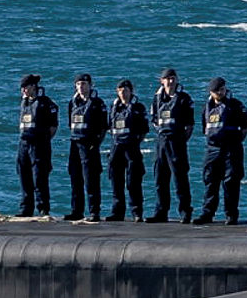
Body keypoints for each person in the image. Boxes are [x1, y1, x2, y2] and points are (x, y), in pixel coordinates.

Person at [195, 77, 247, 225]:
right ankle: (207, 213)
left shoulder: (235, 105)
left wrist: (235, 141)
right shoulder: (207, 108)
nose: (220, 92)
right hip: (213, 149)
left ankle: (231, 214)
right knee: (210, 181)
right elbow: (204, 128)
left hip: (231, 148)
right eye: (216, 90)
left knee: (231, 181)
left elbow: (246, 127)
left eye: (222, 89)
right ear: (211, 92)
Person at [145, 67, 196, 223]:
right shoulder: (157, 98)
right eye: (167, 79)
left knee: (180, 179)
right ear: (162, 81)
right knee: (160, 179)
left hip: (177, 141)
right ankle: (161, 212)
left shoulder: (184, 98)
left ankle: (185, 212)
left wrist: (180, 140)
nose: (171, 81)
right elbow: (154, 120)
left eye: (173, 78)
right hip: (161, 141)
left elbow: (190, 125)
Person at [62, 72, 107, 223]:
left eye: (84, 84)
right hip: (75, 142)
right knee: (75, 177)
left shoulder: (97, 103)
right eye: (79, 84)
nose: (81, 87)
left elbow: (103, 127)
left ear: (90, 85)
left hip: (89, 144)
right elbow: (70, 123)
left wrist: (96, 143)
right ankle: (77, 211)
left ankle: (94, 211)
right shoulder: (73, 102)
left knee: (91, 179)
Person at [105, 79, 149, 222]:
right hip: (116, 146)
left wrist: (134, 141)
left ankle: (137, 212)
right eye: (120, 91)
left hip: (131, 147)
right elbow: (109, 127)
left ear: (131, 91)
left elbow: (143, 130)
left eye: (126, 90)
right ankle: (117, 212)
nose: (123, 93)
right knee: (116, 181)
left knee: (133, 182)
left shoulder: (138, 107)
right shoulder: (114, 107)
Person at [15, 74, 58, 218]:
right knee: (24, 175)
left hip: (39, 144)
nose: (23, 91)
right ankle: (26, 208)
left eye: (25, 87)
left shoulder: (45, 103)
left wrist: (43, 140)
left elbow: (53, 126)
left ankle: (43, 208)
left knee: (39, 177)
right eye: (22, 88)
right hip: (24, 144)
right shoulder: (24, 103)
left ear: (33, 86)